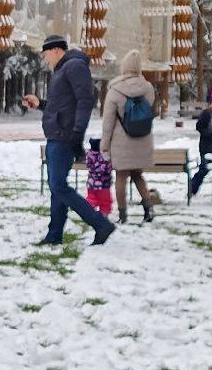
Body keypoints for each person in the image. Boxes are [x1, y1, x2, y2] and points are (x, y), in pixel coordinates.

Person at [20, 35, 114, 246]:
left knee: (59, 187)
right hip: (58, 134)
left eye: (45, 55)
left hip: (64, 136)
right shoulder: (63, 70)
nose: (45, 60)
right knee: (57, 187)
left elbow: (85, 101)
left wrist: (77, 131)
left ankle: (100, 224)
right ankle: (54, 235)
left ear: (55, 50)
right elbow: (61, 106)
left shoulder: (73, 67)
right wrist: (40, 103)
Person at [101, 49, 157, 223]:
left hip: (121, 142)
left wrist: (104, 146)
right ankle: (148, 209)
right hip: (142, 139)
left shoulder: (115, 90)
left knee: (121, 177)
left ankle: (122, 215)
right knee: (138, 175)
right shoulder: (148, 88)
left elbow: (108, 122)